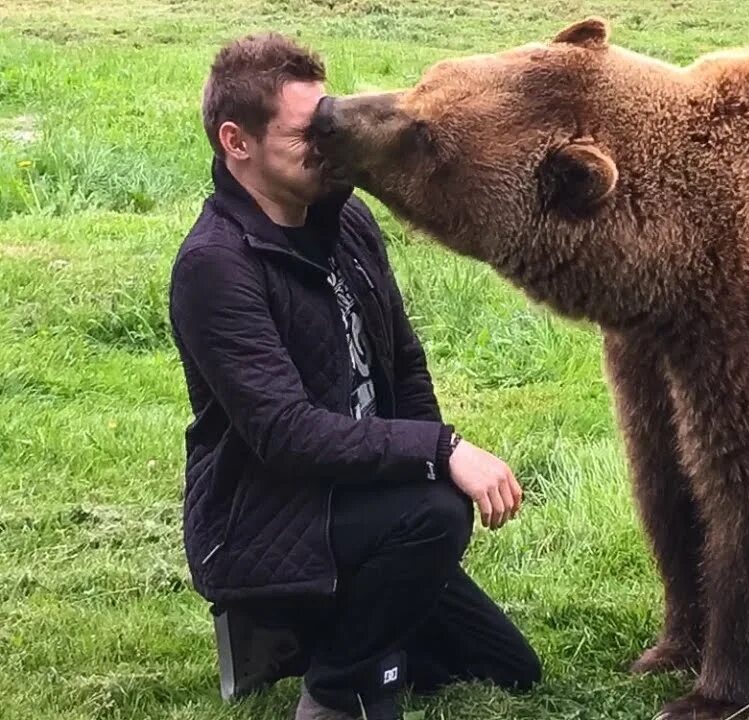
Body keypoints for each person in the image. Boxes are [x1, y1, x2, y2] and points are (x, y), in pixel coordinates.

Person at [168, 32, 541, 720]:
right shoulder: (215, 267)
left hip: (358, 501)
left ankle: (305, 633)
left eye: (325, 121)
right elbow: (285, 434)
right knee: (437, 514)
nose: (328, 142)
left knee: (507, 667)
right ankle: (336, 687)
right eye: (305, 132)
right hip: (267, 517)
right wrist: (441, 455)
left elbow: (403, 359)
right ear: (236, 141)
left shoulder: (347, 221)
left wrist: (423, 458)